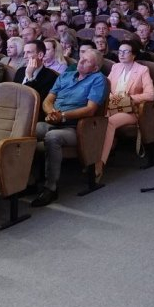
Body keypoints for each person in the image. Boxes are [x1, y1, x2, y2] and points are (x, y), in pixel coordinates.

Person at [31, 49, 107, 207]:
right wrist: (52, 114)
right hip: (54, 121)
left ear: (95, 68)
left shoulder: (98, 79)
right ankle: (26, 181)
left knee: (52, 138)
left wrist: (63, 116)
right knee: (27, 130)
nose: (80, 61)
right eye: (81, 58)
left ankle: (50, 188)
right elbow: (47, 101)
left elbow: (90, 109)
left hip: (77, 128)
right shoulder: (65, 76)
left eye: (86, 61)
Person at [96, 39, 154, 181]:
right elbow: (107, 87)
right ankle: (91, 157)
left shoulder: (142, 70)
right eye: (120, 51)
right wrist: (113, 97)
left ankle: (99, 164)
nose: (121, 54)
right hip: (112, 106)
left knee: (109, 122)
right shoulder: (116, 67)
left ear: (133, 54)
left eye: (125, 51)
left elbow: (150, 95)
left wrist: (128, 98)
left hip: (130, 110)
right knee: (96, 119)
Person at [13, 40, 58, 115]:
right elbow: (13, 94)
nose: (24, 57)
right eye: (24, 53)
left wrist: (29, 76)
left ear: (40, 55)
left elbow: (35, 102)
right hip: (14, 110)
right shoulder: (20, 71)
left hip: (32, 114)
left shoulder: (51, 76)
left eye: (29, 52)